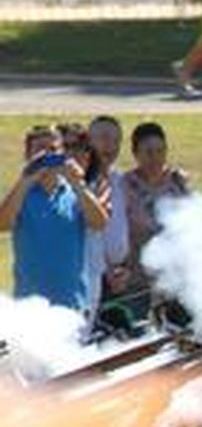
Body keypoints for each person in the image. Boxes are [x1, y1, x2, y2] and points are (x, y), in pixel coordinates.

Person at [0, 124, 109, 312]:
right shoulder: (21, 194)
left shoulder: (74, 192)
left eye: (53, 149)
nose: (47, 156)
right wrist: (26, 179)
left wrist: (77, 182)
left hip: (72, 305)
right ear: (28, 155)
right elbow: (3, 224)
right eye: (40, 150)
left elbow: (100, 223)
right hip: (29, 306)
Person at [106, 122, 191, 317]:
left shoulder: (178, 183)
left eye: (160, 151)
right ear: (135, 154)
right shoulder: (124, 185)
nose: (155, 158)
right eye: (148, 152)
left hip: (175, 281)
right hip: (134, 282)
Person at [87, 115, 125, 318]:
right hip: (91, 276)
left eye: (116, 140)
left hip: (119, 279)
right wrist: (107, 269)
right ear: (88, 142)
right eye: (103, 138)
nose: (110, 145)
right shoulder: (81, 182)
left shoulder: (121, 180)